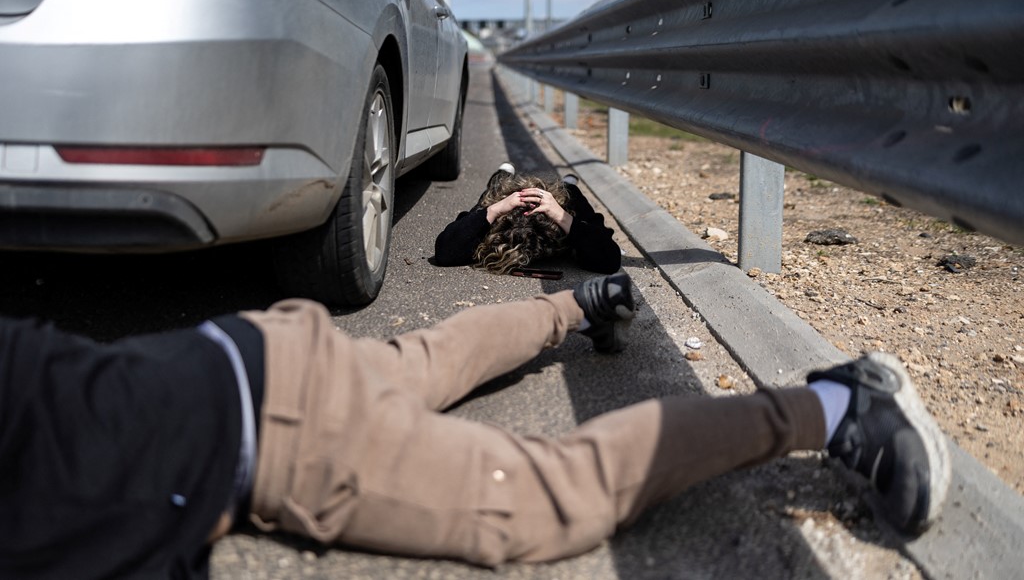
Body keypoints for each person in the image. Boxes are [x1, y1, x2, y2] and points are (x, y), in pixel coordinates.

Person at [0, 273, 950, 579]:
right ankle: (577, 303)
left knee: (551, 498)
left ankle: (840, 405)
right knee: (432, 361)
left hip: (278, 433)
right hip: (243, 354)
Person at [434, 163, 622, 274]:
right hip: (511, 200)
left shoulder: (567, 205)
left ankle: (562, 183)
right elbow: (445, 252)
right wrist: (496, 208)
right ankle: (504, 176)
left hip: (552, 201)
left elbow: (609, 256)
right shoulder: (500, 214)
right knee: (494, 191)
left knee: (569, 191)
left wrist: (560, 214)